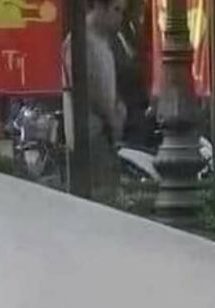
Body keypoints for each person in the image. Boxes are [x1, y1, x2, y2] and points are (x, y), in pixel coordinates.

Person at [62, 0, 128, 200]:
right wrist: (112, 116)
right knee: (101, 194)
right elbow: (89, 88)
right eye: (116, 10)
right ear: (99, 7)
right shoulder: (81, 42)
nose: (120, 18)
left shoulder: (105, 41)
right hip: (90, 134)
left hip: (103, 133)